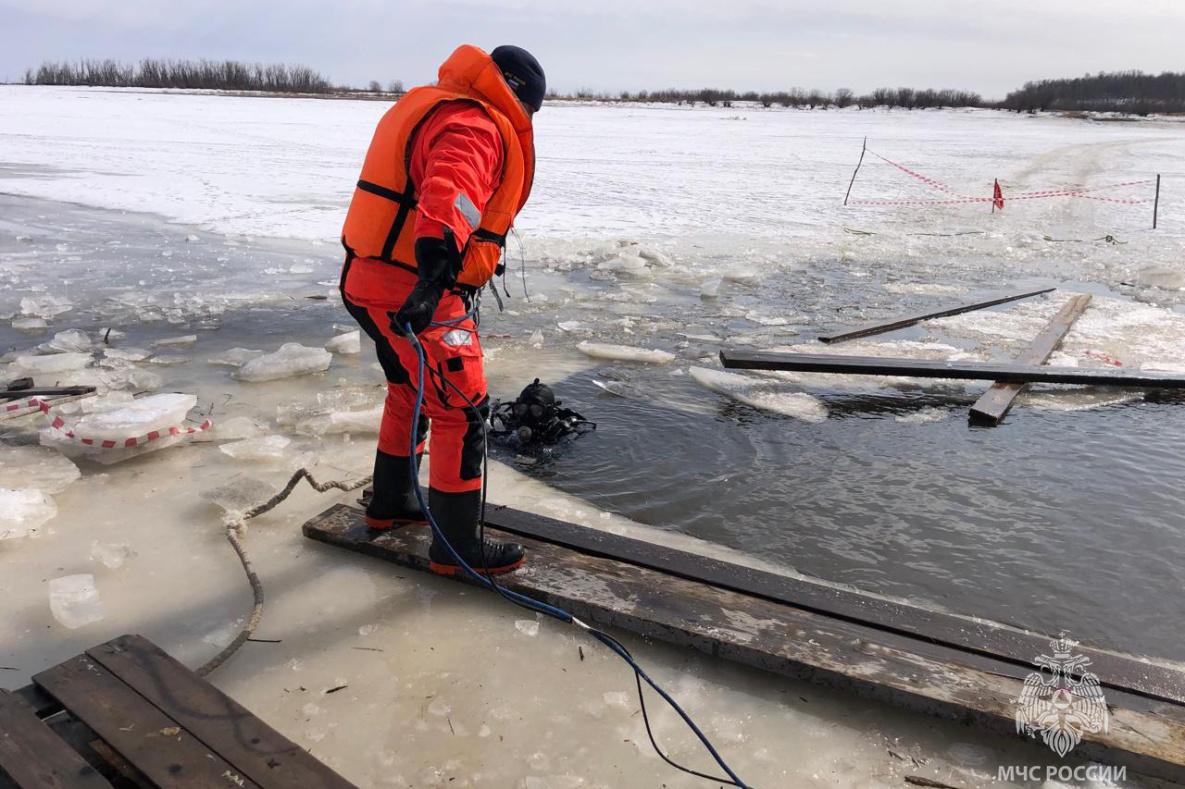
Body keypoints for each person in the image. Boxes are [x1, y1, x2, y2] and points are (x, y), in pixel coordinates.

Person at [339, 44, 545, 576]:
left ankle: (392, 503)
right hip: (415, 288)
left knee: (410, 391)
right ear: (518, 96)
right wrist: (433, 278)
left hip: (369, 279)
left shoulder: (441, 104)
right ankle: (456, 549)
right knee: (463, 408)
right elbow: (449, 194)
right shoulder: (474, 124)